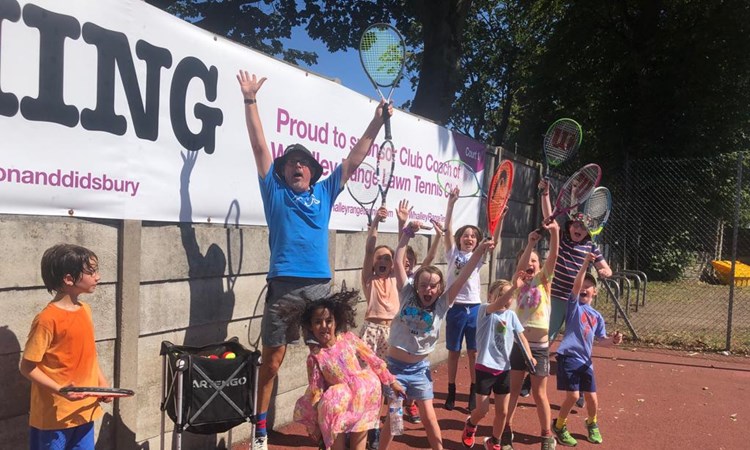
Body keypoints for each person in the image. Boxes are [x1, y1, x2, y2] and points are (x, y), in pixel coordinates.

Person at [237, 70, 392, 449]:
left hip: (320, 290)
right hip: (284, 289)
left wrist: (376, 119)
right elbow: (260, 149)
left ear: (312, 171)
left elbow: (355, 158)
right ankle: (260, 431)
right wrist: (250, 100)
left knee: (333, 363)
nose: (297, 166)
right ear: (284, 171)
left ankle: (340, 426)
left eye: (303, 163)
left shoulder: (324, 194)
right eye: (291, 163)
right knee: (271, 363)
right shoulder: (275, 195)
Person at [378, 220, 496, 450]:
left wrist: (480, 249)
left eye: (433, 286)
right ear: (416, 286)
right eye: (423, 285)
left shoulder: (443, 303)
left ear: (440, 289)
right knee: (394, 419)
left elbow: (465, 274)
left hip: (420, 369)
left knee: (430, 418)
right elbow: (398, 263)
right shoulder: (406, 293)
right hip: (395, 369)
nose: (428, 290)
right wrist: (406, 235)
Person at [19, 244, 111, 450]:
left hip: (84, 410)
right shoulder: (47, 319)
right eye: (91, 271)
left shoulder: (85, 310)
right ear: (69, 279)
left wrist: (102, 385)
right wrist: (60, 390)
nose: (98, 277)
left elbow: (89, 358)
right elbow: (27, 367)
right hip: (55, 416)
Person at [290, 290, 406, 450]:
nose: (324, 326)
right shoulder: (315, 357)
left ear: (336, 321)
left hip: (363, 397)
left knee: (358, 446)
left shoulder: (349, 339)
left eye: (328, 321)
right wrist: (317, 424)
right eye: (318, 322)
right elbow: (316, 390)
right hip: (338, 403)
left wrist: (392, 382)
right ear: (310, 326)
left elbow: (374, 360)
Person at [534, 179, 612, 407]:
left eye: (583, 227)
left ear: (589, 230)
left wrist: (605, 271)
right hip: (557, 298)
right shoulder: (564, 240)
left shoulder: (591, 247)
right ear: (568, 227)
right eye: (574, 226)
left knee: (579, 344)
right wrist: (545, 194)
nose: (578, 230)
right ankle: (533, 379)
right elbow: (549, 218)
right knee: (545, 341)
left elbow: (604, 266)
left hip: (577, 304)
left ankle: (577, 386)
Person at [552, 253, 623, 447]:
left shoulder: (597, 316)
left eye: (588, 286)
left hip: (585, 360)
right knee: (574, 396)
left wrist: (613, 340)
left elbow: (602, 340)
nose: (583, 288)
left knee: (592, 397)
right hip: (568, 356)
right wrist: (585, 263)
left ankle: (592, 423)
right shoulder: (574, 306)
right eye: (581, 286)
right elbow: (575, 286)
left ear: (595, 292)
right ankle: (559, 425)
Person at [461, 275, 535, 450]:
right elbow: (498, 303)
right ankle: (471, 424)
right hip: (484, 368)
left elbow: (521, 337)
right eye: (502, 295)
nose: (507, 299)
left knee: (502, 412)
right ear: (490, 296)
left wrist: (530, 355)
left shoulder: (511, 316)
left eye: (510, 297)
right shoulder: (486, 310)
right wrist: (512, 288)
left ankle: (494, 442)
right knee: (483, 410)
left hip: (504, 370)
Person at [505, 220, 560, 450]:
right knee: (514, 389)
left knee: (539, 393)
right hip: (518, 344)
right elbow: (522, 263)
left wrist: (555, 233)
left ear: (540, 266)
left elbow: (553, 256)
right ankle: (505, 429)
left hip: (539, 346)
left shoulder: (543, 280)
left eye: (535, 261)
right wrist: (529, 244)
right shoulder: (516, 284)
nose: (531, 264)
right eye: (528, 261)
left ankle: (547, 434)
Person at [442, 187, 491, 411]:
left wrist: (498, 219)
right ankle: (451, 391)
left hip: (475, 308)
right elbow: (447, 229)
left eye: (473, 235)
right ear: (459, 239)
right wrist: (451, 203)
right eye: (466, 235)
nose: (469, 238)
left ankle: (473, 390)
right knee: (453, 352)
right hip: (455, 308)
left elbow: (494, 240)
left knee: (473, 353)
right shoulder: (452, 253)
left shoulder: (478, 256)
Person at [395, 198, 443, 425]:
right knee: (391, 407)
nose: (406, 263)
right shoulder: (406, 287)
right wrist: (403, 226)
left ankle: (411, 405)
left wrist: (439, 237)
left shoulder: (421, 280)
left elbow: (430, 260)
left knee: (424, 406)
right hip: (397, 339)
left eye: (410, 261)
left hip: (417, 356)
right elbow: (398, 255)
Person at [359, 206, 399, 449]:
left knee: (390, 383)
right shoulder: (369, 280)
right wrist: (375, 222)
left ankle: (391, 427)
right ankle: (371, 430)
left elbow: (419, 259)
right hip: (371, 333)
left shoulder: (396, 279)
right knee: (370, 385)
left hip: (392, 333)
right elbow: (368, 248)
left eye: (387, 258)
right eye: (379, 257)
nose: (383, 260)